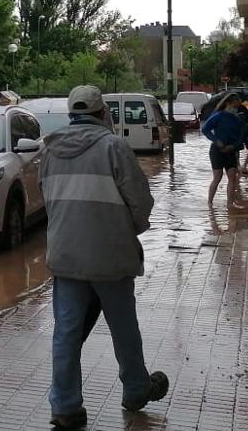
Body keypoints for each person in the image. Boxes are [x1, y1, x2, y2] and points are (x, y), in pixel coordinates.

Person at [41, 86, 168, 429]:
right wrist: (130, 230)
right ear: (103, 114)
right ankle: (136, 390)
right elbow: (141, 201)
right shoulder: (114, 146)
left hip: (65, 255)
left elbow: (47, 199)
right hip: (110, 255)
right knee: (123, 327)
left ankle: (65, 407)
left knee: (66, 332)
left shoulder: (50, 149)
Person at [201, 93, 245, 206]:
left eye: (237, 107)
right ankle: (210, 203)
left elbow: (241, 137)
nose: (236, 109)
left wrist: (234, 146)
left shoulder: (237, 120)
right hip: (217, 150)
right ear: (228, 104)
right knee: (218, 177)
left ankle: (230, 204)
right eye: (234, 106)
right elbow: (205, 129)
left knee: (232, 177)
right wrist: (217, 141)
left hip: (230, 151)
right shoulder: (218, 116)